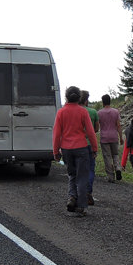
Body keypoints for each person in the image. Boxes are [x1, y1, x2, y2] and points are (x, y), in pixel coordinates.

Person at [52, 86, 98, 216]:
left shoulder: (61, 112)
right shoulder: (83, 112)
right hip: (81, 148)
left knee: (72, 175)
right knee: (82, 177)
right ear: (79, 98)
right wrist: (94, 148)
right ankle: (81, 206)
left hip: (66, 149)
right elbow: (90, 132)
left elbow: (56, 134)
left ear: (66, 97)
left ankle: (72, 197)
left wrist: (56, 151)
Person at [97, 94, 124, 183]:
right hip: (114, 136)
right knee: (115, 155)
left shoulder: (99, 113)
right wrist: (121, 137)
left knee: (107, 157)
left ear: (103, 102)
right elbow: (118, 125)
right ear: (110, 101)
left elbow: (98, 126)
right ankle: (118, 168)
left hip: (104, 137)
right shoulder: (116, 112)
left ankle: (110, 176)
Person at [80, 89, 99, 204]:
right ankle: (89, 192)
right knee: (91, 169)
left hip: (77, 144)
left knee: (80, 170)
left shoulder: (75, 111)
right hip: (90, 144)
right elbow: (96, 129)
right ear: (86, 100)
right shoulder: (93, 112)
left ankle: (79, 193)